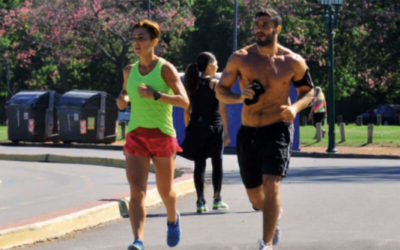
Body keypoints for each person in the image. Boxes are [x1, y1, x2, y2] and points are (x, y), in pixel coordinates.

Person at [215, 8, 314, 250]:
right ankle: (272, 214)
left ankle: (266, 244)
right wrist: (239, 97)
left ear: (277, 29)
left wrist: (295, 109)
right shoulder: (240, 58)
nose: (259, 28)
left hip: (278, 128)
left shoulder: (293, 61)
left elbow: (308, 91)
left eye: (265, 24)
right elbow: (221, 90)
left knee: (272, 183)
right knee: (256, 196)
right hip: (249, 131)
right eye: (257, 24)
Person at [115, 19, 189, 250]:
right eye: (135, 38)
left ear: (154, 41)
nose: (137, 43)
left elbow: (184, 101)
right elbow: (125, 94)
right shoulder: (129, 70)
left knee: (165, 191)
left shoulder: (165, 69)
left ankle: (172, 218)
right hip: (136, 134)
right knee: (137, 192)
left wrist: (156, 95)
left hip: (162, 135)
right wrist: (122, 100)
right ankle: (138, 240)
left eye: (142, 38)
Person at [179, 52, 231, 213]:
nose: (217, 65)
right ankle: (217, 199)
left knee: (199, 165)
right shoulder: (215, 83)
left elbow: (187, 110)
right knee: (217, 163)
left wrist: (189, 127)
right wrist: (227, 133)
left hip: (196, 128)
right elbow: (222, 109)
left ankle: (200, 202)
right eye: (215, 62)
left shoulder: (192, 83)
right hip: (214, 128)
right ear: (209, 65)